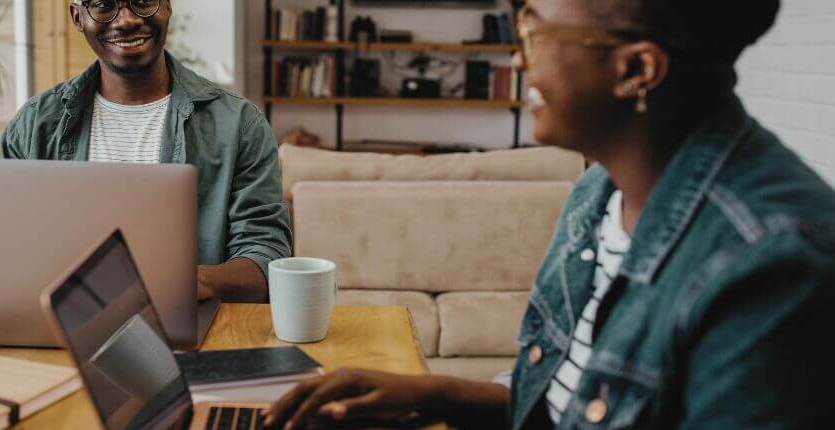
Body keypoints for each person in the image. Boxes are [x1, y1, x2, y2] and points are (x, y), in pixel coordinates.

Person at [264, 0, 835, 428]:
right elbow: (566, 403)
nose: (518, 58)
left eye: (534, 29)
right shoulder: (596, 195)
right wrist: (428, 395)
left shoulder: (777, 263)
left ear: (637, 69)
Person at [0, 0, 292, 303]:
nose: (126, 20)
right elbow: (7, 252)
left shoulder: (240, 125)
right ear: (78, 17)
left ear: (167, 5)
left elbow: (267, 259)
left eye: (142, 1)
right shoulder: (33, 127)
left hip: (197, 338)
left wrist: (196, 282)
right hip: (56, 335)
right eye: (103, 4)